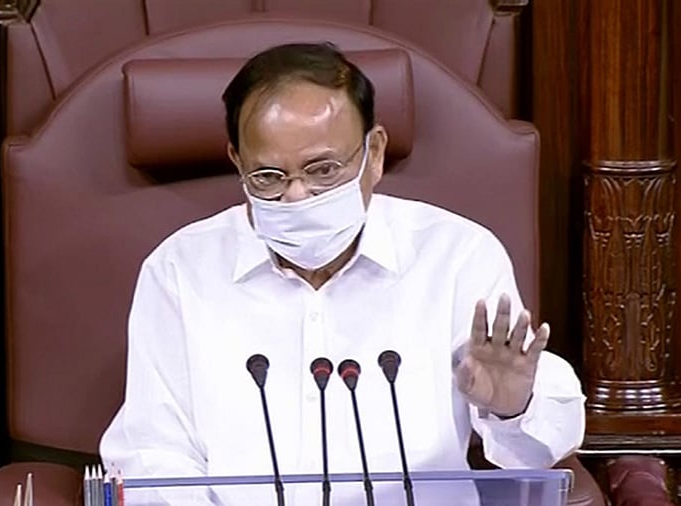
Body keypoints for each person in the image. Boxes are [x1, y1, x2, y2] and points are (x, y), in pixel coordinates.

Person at [100, 42, 585, 505]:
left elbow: (534, 456)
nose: (297, 197)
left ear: (373, 153)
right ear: (237, 162)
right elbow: (155, 456)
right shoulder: (180, 269)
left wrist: (512, 407)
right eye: (268, 177)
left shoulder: (456, 256)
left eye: (324, 171)